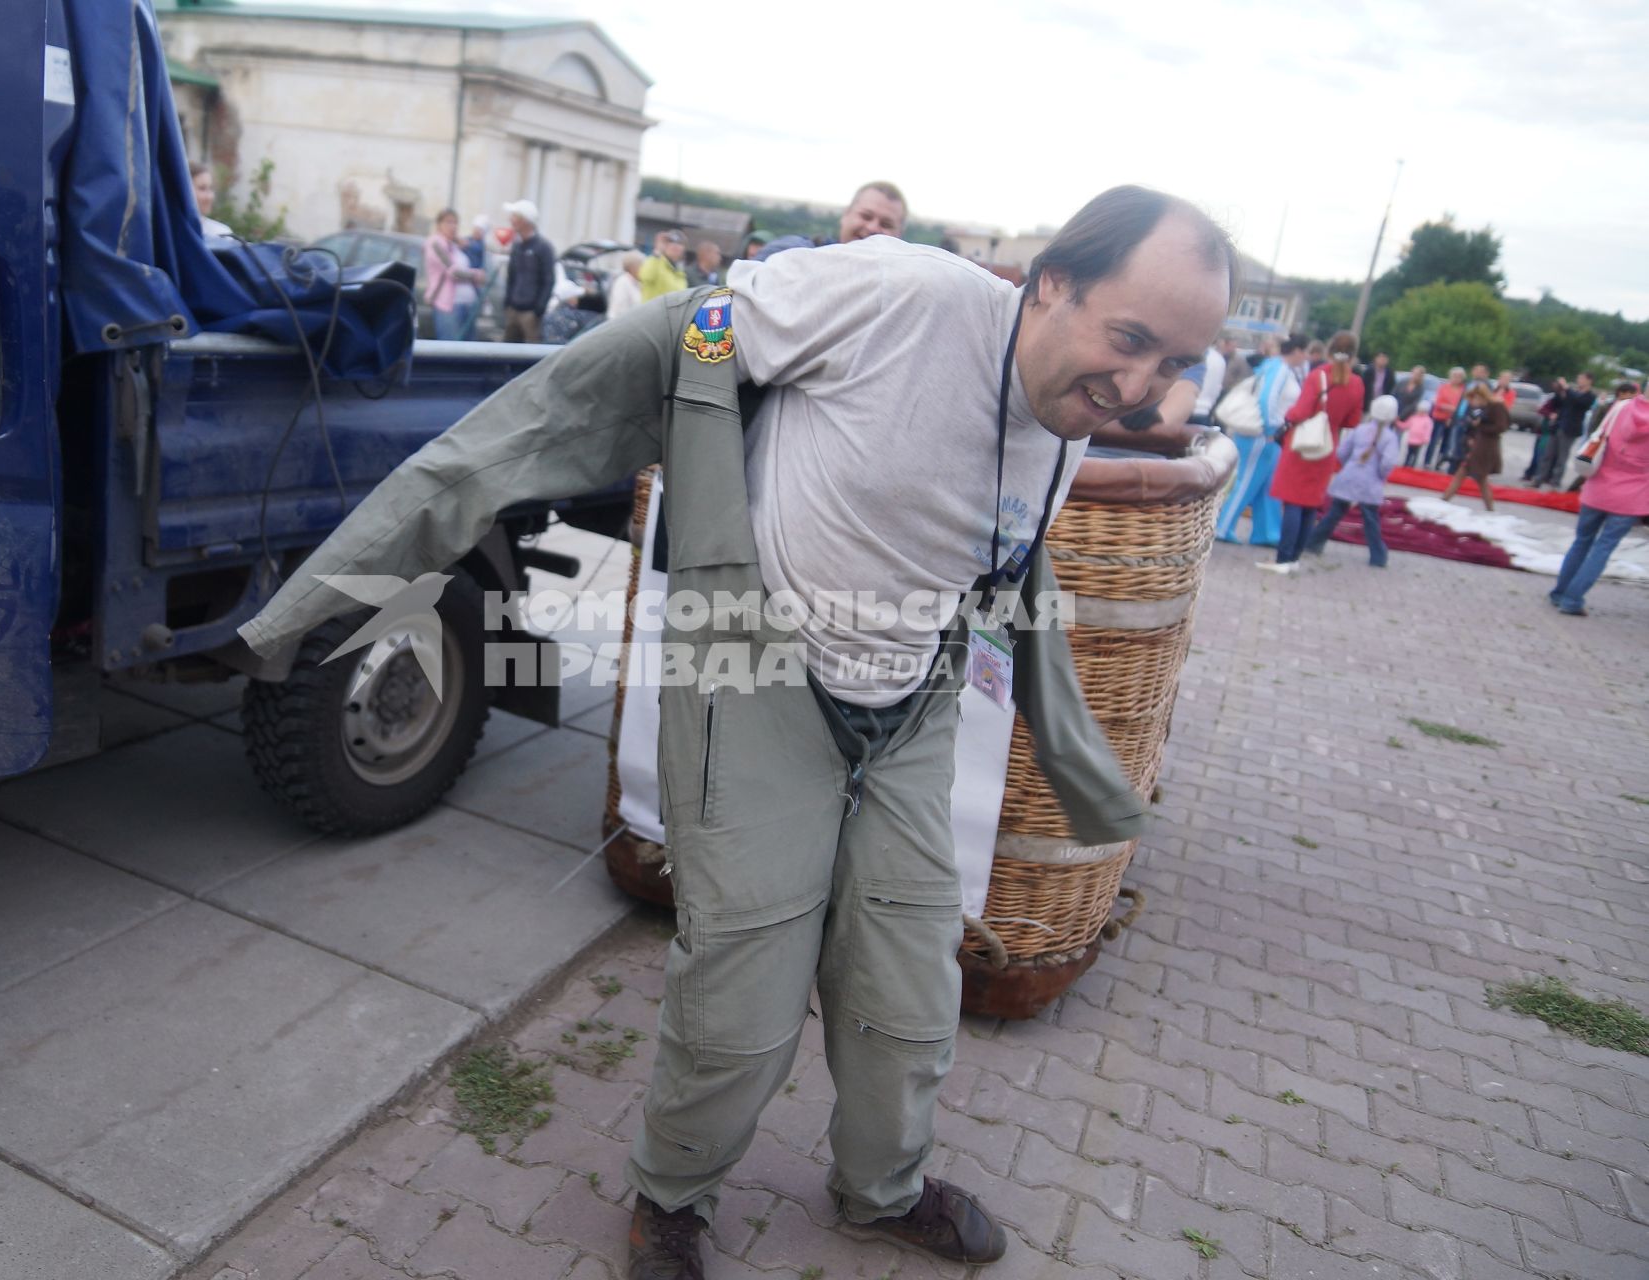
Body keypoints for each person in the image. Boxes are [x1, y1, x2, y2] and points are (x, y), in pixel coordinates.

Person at [234, 184, 1235, 1280]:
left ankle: (880, 1187)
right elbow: (682, 337)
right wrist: (699, 484)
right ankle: (671, 1196)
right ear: (1049, 282)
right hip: (756, 681)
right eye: (1127, 339)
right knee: (741, 1002)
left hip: (905, 716)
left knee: (909, 997)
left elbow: (1001, 547)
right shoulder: (892, 292)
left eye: (1173, 361)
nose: (1139, 390)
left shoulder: (1066, 416)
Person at [1261, 330, 1364, 574]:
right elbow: (1353, 420)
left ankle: (1283, 559)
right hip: (1327, 446)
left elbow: (1300, 411)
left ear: (1328, 350)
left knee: (1292, 501)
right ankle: (1295, 557)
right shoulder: (1356, 382)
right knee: (1310, 503)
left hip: (1302, 444)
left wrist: (1287, 419)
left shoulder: (1319, 376)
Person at [1551, 391, 1649, 615]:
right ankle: (1572, 600)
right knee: (1603, 548)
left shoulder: (1620, 407)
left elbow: (1597, 436)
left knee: (1581, 542)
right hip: (1632, 495)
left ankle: (1559, 592)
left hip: (1599, 486)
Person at [1214, 336, 1304, 546]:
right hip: (1262, 434)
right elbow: (1267, 397)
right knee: (1245, 481)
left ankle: (1267, 531)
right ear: (1297, 350)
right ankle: (1222, 526)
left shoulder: (1274, 366)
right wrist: (1270, 427)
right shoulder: (1280, 368)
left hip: (1264, 434)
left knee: (1267, 483)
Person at [1304, 394, 1400, 567]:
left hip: (1348, 477)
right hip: (1370, 483)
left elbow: (1342, 453)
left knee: (1333, 514)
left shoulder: (1360, 429)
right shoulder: (1390, 438)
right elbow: (1387, 463)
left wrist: (1352, 465)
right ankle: (1377, 556)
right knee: (1371, 521)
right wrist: (1381, 476)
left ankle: (1313, 542)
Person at [757, 181, 908, 258]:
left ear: (899, 235)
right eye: (866, 216)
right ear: (846, 215)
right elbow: (734, 293)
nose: (873, 228)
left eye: (886, 224)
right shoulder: (793, 252)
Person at [1440, 384, 1508, 510]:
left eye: (1475, 399)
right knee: (1465, 474)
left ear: (1482, 397)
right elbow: (1473, 427)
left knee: (1480, 478)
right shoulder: (1483, 408)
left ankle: (1490, 509)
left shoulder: (1496, 407)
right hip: (1478, 445)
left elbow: (1501, 427)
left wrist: (1480, 426)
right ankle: (1445, 499)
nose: (1473, 403)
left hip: (1487, 447)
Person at [424, 208, 484, 341]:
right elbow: (453, 271)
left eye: (455, 223)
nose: (453, 226)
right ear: (439, 224)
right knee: (450, 348)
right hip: (447, 305)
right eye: (448, 222)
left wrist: (462, 243)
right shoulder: (435, 243)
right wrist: (476, 274)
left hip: (467, 304)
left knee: (467, 351)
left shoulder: (453, 244)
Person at [501, 198, 556, 343]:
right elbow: (511, 276)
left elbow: (548, 279)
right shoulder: (517, 246)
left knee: (531, 350)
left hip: (530, 312)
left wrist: (538, 309)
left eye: (514, 217)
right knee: (507, 350)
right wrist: (508, 302)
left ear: (524, 220)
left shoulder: (543, 248)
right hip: (514, 308)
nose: (511, 220)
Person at [1533, 372, 1596, 488]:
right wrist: (1560, 390)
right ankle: (1539, 479)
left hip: (1570, 430)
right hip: (1557, 426)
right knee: (1547, 454)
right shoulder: (1573, 392)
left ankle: (1555, 481)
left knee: (1562, 457)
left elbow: (1578, 402)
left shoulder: (1589, 396)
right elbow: (1559, 402)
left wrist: (1567, 388)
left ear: (1589, 381)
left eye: (1581, 378)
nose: (1579, 380)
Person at [1424, 367, 1467, 469]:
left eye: (1459, 376)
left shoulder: (1463, 390)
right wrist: (1450, 408)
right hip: (1439, 417)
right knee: (1434, 440)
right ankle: (1427, 461)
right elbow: (1438, 402)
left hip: (1453, 419)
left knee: (1447, 442)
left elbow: (1462, 405)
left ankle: (1439, 462)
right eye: (1454, 376)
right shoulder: (1443, 387)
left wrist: (1452, 410)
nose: (1456, 378)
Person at [639, 230, 688, 301]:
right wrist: (657, 252)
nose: (675, 246)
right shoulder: (656, 261)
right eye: (671, 242)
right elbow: (645, 277)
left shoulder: (680, 270)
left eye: (680, 243)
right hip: (653, 311)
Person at [189, 162, 234, 239]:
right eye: (202, 188)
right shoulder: (167, 231)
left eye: (211, 188)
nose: (210, 197)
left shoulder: (221, 234)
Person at [1190, 341, 1227, 426]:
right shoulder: (1219, 359)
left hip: (1183, 408)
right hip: (1205, 410)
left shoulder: (1195, 354)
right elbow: (1218, 387)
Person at [607, 249, 645, 320]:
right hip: (621, 324)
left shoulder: (638, 282)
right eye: (641, 265)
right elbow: (620, 310)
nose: (644, 268)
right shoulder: (622, 282)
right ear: (633, 267)